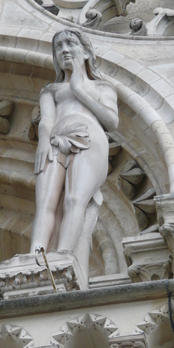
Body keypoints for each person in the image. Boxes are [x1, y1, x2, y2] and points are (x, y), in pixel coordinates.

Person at [30, 29, 119, 255]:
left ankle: (64, 255)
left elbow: (111, 120)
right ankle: (36, 255)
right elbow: (47, 120)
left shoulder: (102, 87)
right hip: (55, 140)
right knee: (46, 202)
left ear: (86, 53)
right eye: (58, 47)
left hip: (89, 138)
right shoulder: (51, 90)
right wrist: (43, 141)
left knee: (74, 198)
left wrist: (78, 89)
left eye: (70, 43)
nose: (64, 50)